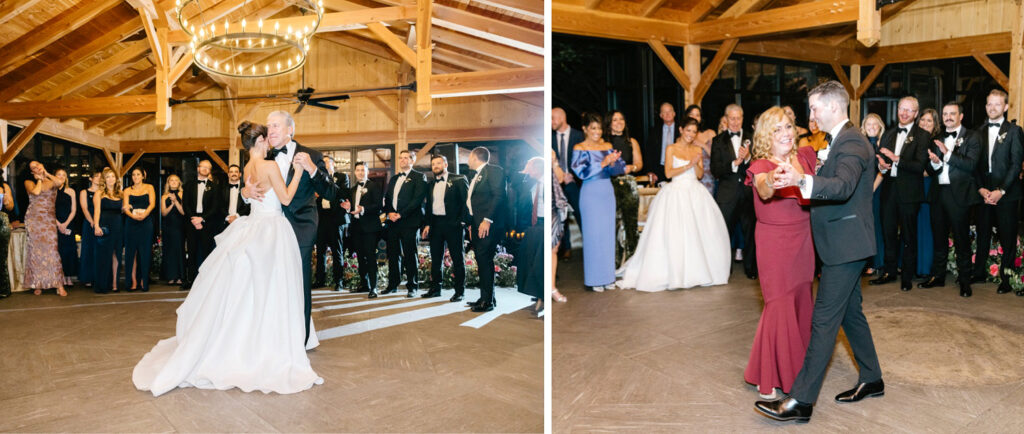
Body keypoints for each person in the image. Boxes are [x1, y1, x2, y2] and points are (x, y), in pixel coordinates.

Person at [133, 121, 322, 397]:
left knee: (247, 288)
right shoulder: (269, 166)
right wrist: (297, 172)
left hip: (253, 227)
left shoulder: (247, 167)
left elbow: (252, 195)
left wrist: (246, 193)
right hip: (271, 230)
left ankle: (243, 339)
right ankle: (264, 342)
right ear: (259, 142)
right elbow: (286, 197)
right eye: (266, 137)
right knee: (271, 287)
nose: (270, 140)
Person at [756, 81, 884, 424]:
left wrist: (800, 181)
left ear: (831, 107)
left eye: (814, 108)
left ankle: (801, 399)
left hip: (847, 246)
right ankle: (872, 378)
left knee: (824, 319)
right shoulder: (838, 141)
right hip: (842, 244)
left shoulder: (853, 141)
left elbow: (841, 186)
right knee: (850, 313)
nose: (810, 116)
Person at [240, 110, 343, 344]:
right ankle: (273, 337)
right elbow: (250, 191)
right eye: (268, 126)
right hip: (267, 230)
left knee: (298, 282)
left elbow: (332, 193)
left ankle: (300, 339)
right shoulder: (263, 158)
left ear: (290, 129)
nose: (271, 130)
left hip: (300, 228)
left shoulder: (312, 155)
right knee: (269, 282)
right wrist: (245, 193)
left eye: (276, 125)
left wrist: (313, 170)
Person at [743, 107, 816, 400]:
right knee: (779, 304)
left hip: (804, 239)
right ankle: (772, 375)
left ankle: (799, 368)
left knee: (800, 298)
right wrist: (775, 177)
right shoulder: (761, 165)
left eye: (788, 127)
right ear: (765, 136)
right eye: (777, 129)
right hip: (775, 242)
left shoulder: (805, 157)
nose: (786, 133)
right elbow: (762, 189)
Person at [616, 117, 730, 291]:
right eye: (688, 131)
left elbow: (699, 175)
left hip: (695, 191)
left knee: (699, 232)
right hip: (676, 191)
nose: (691, 135)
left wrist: (696, 163)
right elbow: (669, 173)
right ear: (681, 130)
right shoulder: (671, 148)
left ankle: (698, 271)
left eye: (694, 132)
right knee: (676, 233)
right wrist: (688, 165)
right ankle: (674, 273)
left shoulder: (697, 149)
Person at [920, 102, 981, 297]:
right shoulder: (936, 138)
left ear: (960, 116)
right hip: (938, 194)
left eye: (952, 114)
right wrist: (935, 163)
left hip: (959, 195)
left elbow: (971, 165)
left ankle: (965, 282)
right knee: (939, 237)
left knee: (961, 240)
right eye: (945, 114)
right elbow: (930, 169)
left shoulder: (972, 137)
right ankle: (937, 277)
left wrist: (947, 155)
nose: (948, 117)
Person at [871, 96, 930, 291]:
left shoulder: (922, 135)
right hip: (889, 190)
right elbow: (881, 160)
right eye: (901, 109)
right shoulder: (888, 133)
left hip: (909, 192)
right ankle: (889, 272)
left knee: (908, 235)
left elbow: (919, 165)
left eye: (909, 110)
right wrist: (882, 165)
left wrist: (896, 159)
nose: (904, 113)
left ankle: (906, 276)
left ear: (915, 113)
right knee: (888, 231)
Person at [972, 89, 1023, 295]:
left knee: (1007, 236)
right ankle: (979, 273)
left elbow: (1016, 164)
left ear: (1004, 107)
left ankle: (1007, 277)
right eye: (989, 104)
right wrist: (981, 188)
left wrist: (1001, 190)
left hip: (1007, 192)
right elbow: (973, 164)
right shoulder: (978, 132)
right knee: (982, 233)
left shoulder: (1014, 131)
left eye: (997, 104)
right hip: (984, 192)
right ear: (986, 107)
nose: (992, 108)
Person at [572, 113, 625, 292]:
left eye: (599, 128)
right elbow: (581, 173)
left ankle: (608, 277)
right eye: (593, 128)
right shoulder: (579, 147)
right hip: (590, 192)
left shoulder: (607, 146)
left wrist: (614, 162)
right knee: (593, 236)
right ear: (585, 129)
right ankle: (594, 279)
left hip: (606, 192)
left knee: (607, 235)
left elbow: (618, 170)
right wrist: (603, 163)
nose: (597, 132)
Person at [712, 104, 758, 279]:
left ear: (743, 118)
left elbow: (760, 164)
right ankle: (724, 270)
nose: (735, 122)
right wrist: (734, 164)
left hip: (747, 193)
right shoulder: (718, 141)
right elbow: (715, 169)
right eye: (732, 118)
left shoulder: (751, 138)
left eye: (739, 118)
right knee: (723, 234)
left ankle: (751, 269)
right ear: (726, 119)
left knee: (750, 233)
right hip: (727, 194)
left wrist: (747, 159)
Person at [465, 146, 507, 312]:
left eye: (469, 157)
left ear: (475, 158)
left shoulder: (493, 170)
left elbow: (498, 195)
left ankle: (487, 302)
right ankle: (486, 297)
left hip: (487, 225)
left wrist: (487, 220)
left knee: (484, 261)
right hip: (476, 225)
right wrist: (471, 224)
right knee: (482, 262)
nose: (468, 160)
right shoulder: (476, 175)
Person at [422, 155, 468, 302]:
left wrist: (462, 222)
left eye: (438, 163)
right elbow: (429, 206)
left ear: (446, 164)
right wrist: (428, 224)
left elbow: (466, 202)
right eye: (433, 164)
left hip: (453, 224)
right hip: (435, 224)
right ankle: (436, 289)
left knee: (457, 258)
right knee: (436, 259)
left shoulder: (459, 179)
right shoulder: (430, 184)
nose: (435, 166)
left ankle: (459, 292)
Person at [383, 150, 428, 298]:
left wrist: (401, 214)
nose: (402, 160)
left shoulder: (419, 177)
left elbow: (418, 199)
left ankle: (412, 286)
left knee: (410, 254)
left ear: (412, 160)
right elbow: (388, 198)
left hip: (409, 222)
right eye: (400, 158)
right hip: (393, 222)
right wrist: (389, 212)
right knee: (393, 254)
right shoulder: (395, 178)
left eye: (406, 158)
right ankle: (393, 284)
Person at [604, 110, 643, 265]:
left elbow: (640, 164)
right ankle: (613, 262)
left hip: (628, 184)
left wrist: (631, 167)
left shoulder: (631, 141)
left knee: (631, 224)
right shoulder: (603, 143)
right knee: (611, 224)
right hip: (609, 184)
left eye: (621, 119)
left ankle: (633, 262)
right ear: (609, 123)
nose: (619, 122)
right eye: (615, 120)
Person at [24, 161, 66, 296]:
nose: (36, 168)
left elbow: (60, 182)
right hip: (34, 220)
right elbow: (36, 192)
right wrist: (40, 181)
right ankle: (38, 284)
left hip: (48, 219)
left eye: (37, 165)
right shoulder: (29, 182)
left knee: (52, 251)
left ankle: (59, 285)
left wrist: (46, 174)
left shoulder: (52, 180)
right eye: (33, 168)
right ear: (31, 172)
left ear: (42, 165)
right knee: (36, 251)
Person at [181, 160, 222, 290]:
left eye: (208, 168)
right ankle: (191, 280)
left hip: (207, 224)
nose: (205, 169)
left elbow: (215, 207)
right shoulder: (188, 185)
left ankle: (205, 281)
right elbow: (185, 204)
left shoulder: (215, 187)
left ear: (209, 171)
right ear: (198, 168)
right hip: (191, 223)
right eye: (203, 167)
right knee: (191, 252)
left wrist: (202, 219)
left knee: (206, 253)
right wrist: (194, 219)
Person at [345, 162, 383, 298]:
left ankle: (374, 287)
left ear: (367, 172)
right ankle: (364, 284)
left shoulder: (374, 186)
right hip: (356, 228)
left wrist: (364, 209)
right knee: (360, 257)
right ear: (355, 172)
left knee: (370, 257)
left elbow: (378, 206)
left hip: (370, 228)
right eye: (358, 170)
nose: (360, 172)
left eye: (363, 170)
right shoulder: (353, 189)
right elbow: (353, 208)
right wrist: (348, 208)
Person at [552, 107, 584, 261]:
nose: (551, 122)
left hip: (574, 183)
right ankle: (566, 248)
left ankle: (588, 245)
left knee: (580, 213)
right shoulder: (549, 138)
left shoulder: (579, 135)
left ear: (562, 118)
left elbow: (584, 160)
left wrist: (574, 175)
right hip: (557, 185)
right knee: (560, 217)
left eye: (553, 118)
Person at [314, 156, 350, 290]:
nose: (324, 164)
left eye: (326, 162)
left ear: (333, 164)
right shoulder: (318, 178)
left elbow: (342, 192)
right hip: (321, 218)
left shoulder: (342, 177)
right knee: (320, 251)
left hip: (335, 218)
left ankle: (339, 281)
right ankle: (320, 280)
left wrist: (327, 181)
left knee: (337, 251)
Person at [516, 157, 545, 316]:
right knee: (531, 259)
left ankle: (543, 296)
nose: (525, 169)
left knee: (540, 262)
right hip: (534, 226)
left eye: (528, 166)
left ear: (536, 168)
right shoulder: (533, 183)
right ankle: (538, 292)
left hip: (545, 224)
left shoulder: (547, 183)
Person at [123, 168, 156, 292]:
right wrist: (133, 216)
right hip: (131, 223)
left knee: (145, 252)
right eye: (133, 175)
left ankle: (144, 280)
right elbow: (125, 207)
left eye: (138, 174)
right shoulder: (126, 190)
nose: (136, 177)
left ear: (143, 175)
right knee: (131, 253)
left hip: (146, 222)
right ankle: (133, 281)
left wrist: (144, 215)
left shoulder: (149, 187)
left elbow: (152, 204)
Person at [861, 114, 886, 276]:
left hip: (877, 192)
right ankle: (866, 262)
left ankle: (878, 263)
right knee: (864, 227)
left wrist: (871, 190)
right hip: (862, 191)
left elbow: (881, 172)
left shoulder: (882, 146)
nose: (871, 127)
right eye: (868, 124)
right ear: (863, 127)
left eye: (874, 124)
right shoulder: (860, 145)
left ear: (880, 127)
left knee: (876, 225)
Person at [92, 167, 123, 294]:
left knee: (117, 255)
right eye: (108, 177)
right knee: (104, 256)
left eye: (113, 176)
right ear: (104, 179)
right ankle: (102, 284)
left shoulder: (120, 194)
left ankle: (115, 284)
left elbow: (123, 210)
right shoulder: (99, 193)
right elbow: (97, 211)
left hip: (119, 226)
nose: (111, 179)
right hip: (105, 226)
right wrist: (97, 226)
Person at [685, 104, 718, 195]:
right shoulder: (684, 136)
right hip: (690, 175)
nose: (694, 117)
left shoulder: (710, 133)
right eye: (691, 114)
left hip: (707, 177)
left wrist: (703, 145)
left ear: (701, 118)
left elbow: (717, 157)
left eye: (697, 115)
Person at [551, 149, 569, 304]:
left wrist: (554, 162)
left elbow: (561, 178)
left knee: (554, 248)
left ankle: (552, 288)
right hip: (540, 209)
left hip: (554, 207)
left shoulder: (551, 152)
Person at [54, 168, 78, 287]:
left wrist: (65, 224)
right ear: (54, 176)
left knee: (70, 250)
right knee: (59, 251)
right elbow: (49, 210)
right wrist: (58, 224)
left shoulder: (71, 191)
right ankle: (61, 276)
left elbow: (74, 210)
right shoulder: (51, 191)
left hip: (68, 223)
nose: (61, 176)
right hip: (55, 224)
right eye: (59, 174)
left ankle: (69, 277)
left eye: (64, 175)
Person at [161, 174, 186, 286]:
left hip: (179, 225)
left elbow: (183, 212)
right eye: (172, 180)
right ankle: (171, 276)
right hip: (168, 226)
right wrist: (171, 204)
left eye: (176, 180)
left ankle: (180, 276)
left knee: (179, 249)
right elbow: (164, 213)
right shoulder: (164, 196)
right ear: (168, 182)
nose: (174, 182)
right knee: (169, 250)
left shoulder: (182, 194)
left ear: (179, 182)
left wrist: (176, 201)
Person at [646, 102, 679, 184]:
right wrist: (650, 171)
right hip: (659, 171)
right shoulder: (654, 131)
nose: (667, 114)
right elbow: (649, 153)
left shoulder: (682, 130)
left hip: (677, 169)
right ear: (661, 115)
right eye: (664, 112)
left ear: (674, 113)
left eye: (669, 111)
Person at [78, 171, 102, 288]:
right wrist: (92, 222)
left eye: (101, 177)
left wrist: (98, 223)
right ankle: (87, 277)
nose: (99, 179)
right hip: (89, 223)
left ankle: (99, 277)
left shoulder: (103, 192)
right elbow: (84, 208)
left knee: (100, 250)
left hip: (101, 222)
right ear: (91, 178)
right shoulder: (84, 192)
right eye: (96, 176)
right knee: (88, 250)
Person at [220, 164, 250, 234]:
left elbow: (248, 205)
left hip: (242, 222)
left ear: (240, 174)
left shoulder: (246, 188)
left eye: (236, 172)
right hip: (226, 222)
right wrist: (228, 218)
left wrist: (236, 216)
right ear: (228, 174)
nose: (234, 174)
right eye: (231, 172)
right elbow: (220, 205)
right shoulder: (222, 188)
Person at [0, 177, 14, 299]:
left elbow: (10, 207)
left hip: (1, 221)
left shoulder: (4, 186)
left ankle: (3, 289)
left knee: (1, 257)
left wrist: (7, 201)